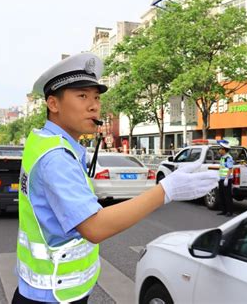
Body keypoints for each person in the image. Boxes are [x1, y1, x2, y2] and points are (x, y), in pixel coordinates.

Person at [12, 52, 218, 304]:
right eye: (82, 96)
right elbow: (95, 227)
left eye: (96, 97)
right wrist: (166, 190)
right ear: (53, 104)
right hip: (52, 296)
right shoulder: (56, 157)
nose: (94, 105)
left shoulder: (44, 141)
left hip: (46, 288)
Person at [216, 140, 234, 216]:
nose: (219, 150)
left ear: (224, 149)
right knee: (221, 195)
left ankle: (229, 211)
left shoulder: (228, 158)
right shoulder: (223, 157)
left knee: (227, 196)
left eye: (220, 149)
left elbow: (230, 169)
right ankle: (224, 210)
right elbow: (222, 168)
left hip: (227, 179)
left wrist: (226, 178)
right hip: (221, 179)